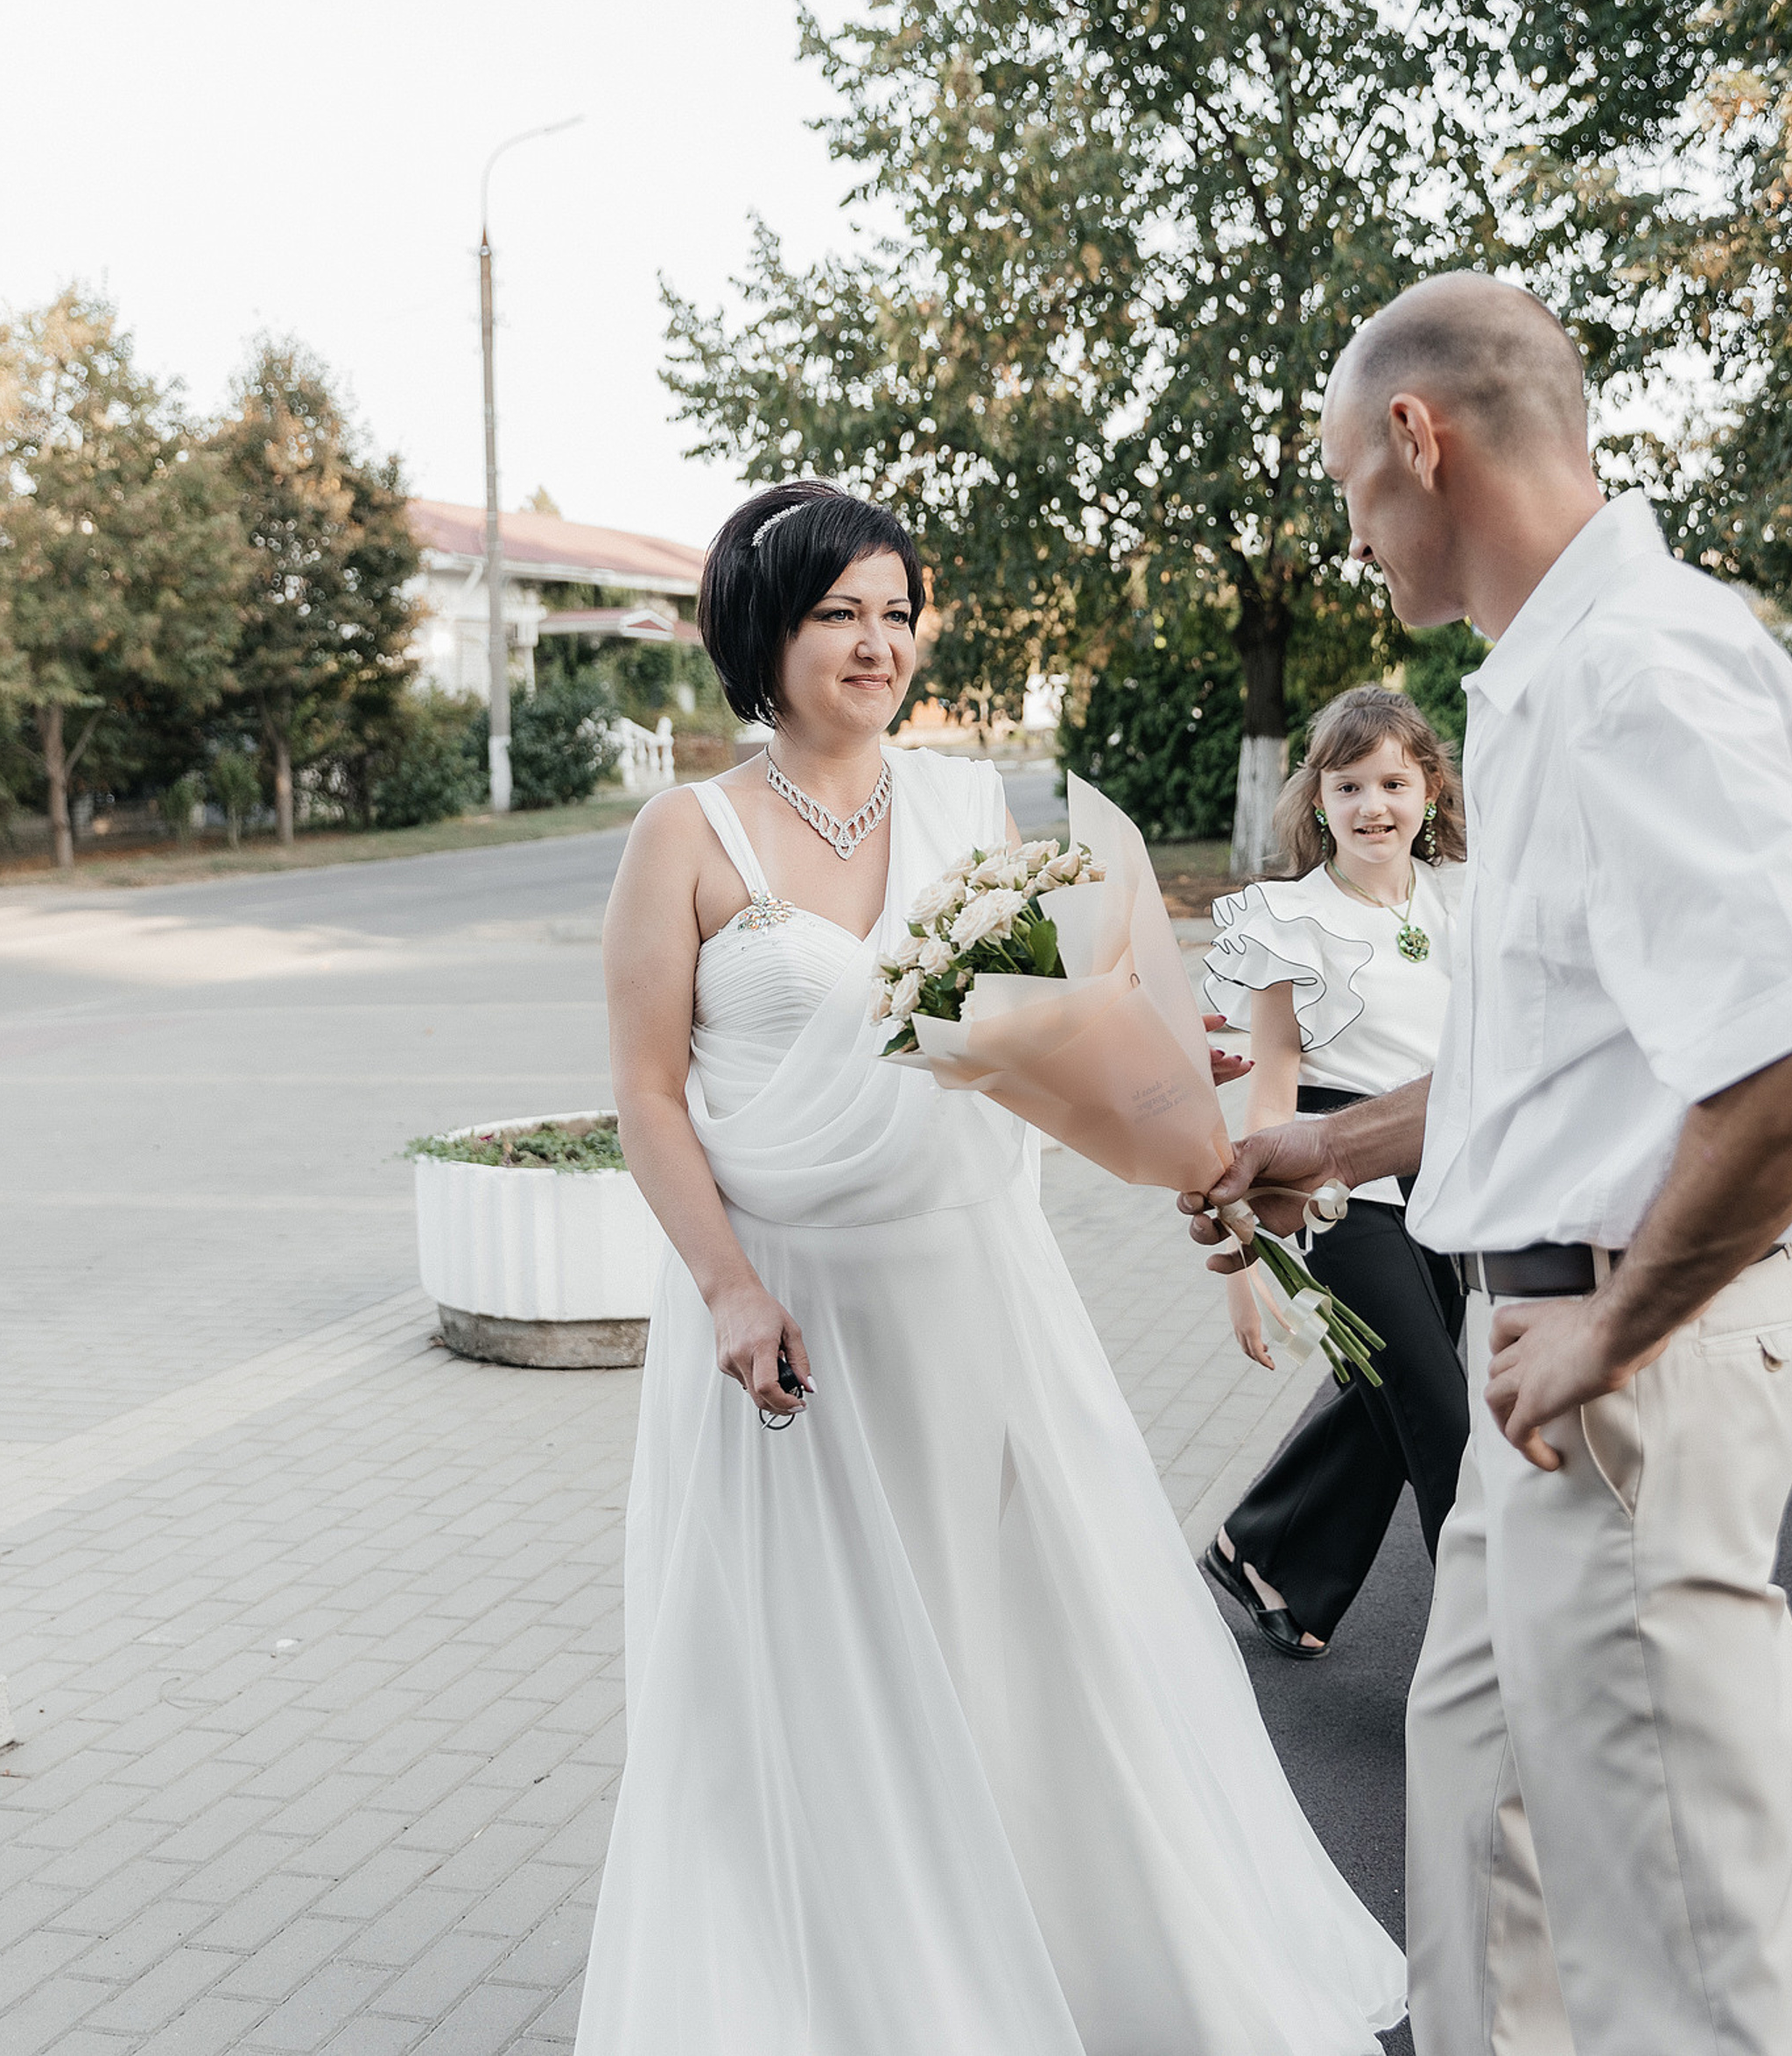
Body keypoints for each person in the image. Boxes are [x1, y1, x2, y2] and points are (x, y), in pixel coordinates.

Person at [1184, 275, 1792, 2055]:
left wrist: (1609, 1330)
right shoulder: (1536, 680)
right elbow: (1557, 1064)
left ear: (1417, 438)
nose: (1351, 528)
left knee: (1690, 1956)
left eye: (1349, 481)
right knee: (1489, 1877)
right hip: (1541, 1388)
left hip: (1618, 1375)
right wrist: (1321, 1144)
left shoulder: (1634, 670)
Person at [578, 481, 1405, 2054]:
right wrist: (728, 1292)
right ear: (765, 629)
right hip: (796, 1323)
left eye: (898, 611)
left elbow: (1077, 1029)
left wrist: (1186, 1123)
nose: (878, 643)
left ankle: (1065, 1958)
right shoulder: (681, 836)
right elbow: (646, 1096)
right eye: (840, 613)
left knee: (1027, 1637)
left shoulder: (978, 813)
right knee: (809, 1669)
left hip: (976, 1294)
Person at [1200, 685, 1469, 1660]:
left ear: (1428, 788)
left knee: (1390, 1392)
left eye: (1392, 781)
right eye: (1347, 784)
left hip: (1446, 1180)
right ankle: (1490, 1655)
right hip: (1335, 1189)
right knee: (1444, 1422)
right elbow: (1271, 1091)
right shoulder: (1286, 919)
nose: (1371, 806)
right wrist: (1246, 1259)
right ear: (1317, 799)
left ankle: (1263, 1547)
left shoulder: (1463, 896)